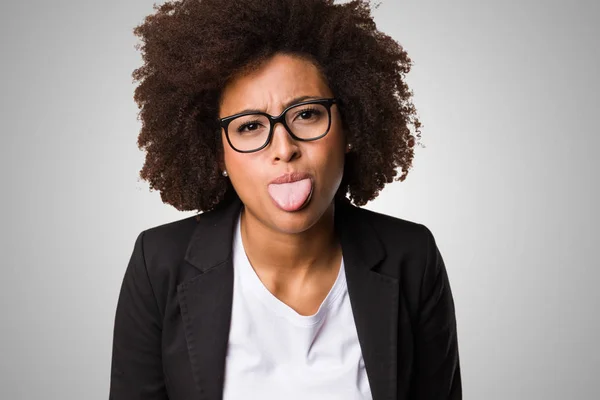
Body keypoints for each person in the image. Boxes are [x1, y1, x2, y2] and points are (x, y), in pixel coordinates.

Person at [109, 0, 462, 399]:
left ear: (351, 127)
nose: (283, 148)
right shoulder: (158, 265)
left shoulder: (412, 257)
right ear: (217, 153)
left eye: (306, 114)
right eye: (250, 126)